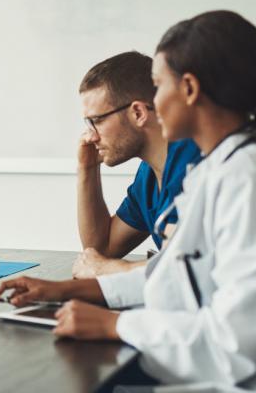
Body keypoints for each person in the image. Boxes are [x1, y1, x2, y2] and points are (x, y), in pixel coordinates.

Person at [0, 11, 256, 389]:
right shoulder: (219, 172)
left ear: (190, 89)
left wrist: (116, 324)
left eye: (158, 85)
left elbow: (234, 346)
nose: (151, 101)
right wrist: (63, 290)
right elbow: (176, 280)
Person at [73, 52, 201, 278]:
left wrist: (109, 269)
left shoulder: (197, 165)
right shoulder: (149, 175)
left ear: (138, 113)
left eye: (98, 120)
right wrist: (87, 168)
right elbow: (102, 249)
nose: (90, 136)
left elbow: (192, 267)